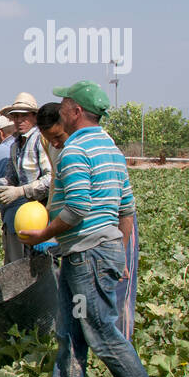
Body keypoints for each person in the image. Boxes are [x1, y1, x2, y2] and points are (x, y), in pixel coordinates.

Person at [17, 81, 157, 377]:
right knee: (69, 330)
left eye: (64, 104)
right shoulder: (111, 150)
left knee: (101, 332)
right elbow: (127, 208)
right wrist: (119, 254)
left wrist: (45, 233)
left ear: (76, 112)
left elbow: (78, 206)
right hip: (90, 253)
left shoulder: (75, 151)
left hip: (87, 255)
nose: (60, 109)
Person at [37, 101, 139, 339]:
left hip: (114, 227)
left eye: (57, 136)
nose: (54, 143)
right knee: (79, 307)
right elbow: (58, 189)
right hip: (81, 234)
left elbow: (86, 206)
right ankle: (90, 350)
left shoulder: (96, 146)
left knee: (118, 294)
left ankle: (120, 347)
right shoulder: (55, 145)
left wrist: (121, 250)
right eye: (48, 138)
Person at [0, 92, 51, 264]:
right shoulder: (15, 145)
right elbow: (10, 179)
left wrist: (21, 191)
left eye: (24, 116)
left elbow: (51, 179)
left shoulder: (40, 141)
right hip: (21, 218)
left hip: (41, 214)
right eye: (15, 116)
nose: (19, 120)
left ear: (34, 117)